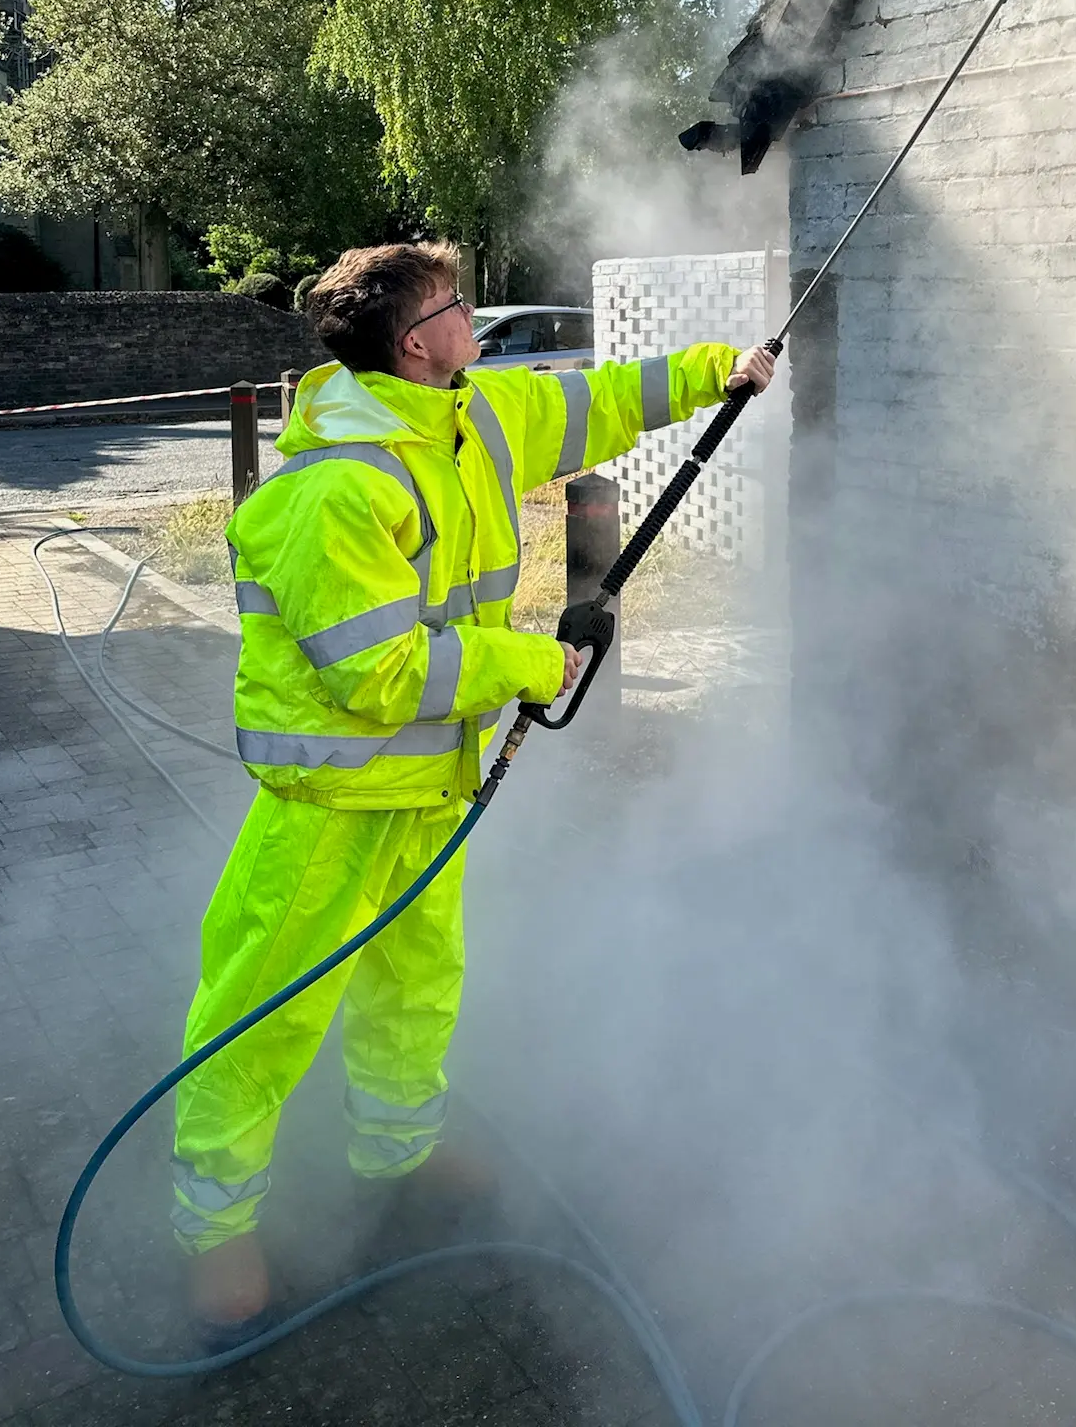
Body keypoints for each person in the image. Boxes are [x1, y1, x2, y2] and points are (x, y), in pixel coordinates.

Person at [172, 240, 775, 1335]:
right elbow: (381, 673)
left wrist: (713, 371)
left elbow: (593, 404)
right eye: (457, 304)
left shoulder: (472, 418)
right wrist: (534, 665)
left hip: (428, 792)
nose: (473, 316)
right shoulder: (334, 490)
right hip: (328, 810)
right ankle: (217, 1232)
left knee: (418, 982)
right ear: (416, 340)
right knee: (261, 1016)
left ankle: (397, 1148)